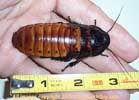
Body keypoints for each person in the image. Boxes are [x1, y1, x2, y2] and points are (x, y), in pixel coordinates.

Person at [0, 0, 139, 99]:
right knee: (68, 56)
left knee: (68, 55)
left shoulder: (81, 29)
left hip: (50, 32)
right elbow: (75, 58)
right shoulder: (83, 53)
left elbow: (75, 26)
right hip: (46, 42)